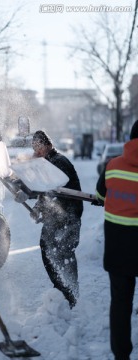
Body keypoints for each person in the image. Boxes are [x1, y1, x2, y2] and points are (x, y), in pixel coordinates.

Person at [13, 130, 83, 308]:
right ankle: (61, 290)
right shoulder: (47, 162)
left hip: (69, 216)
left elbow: (49, 191)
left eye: (38, 148)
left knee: (64, 253)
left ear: (47, 145)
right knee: (47, 248)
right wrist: (30, 199)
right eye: (34, 149)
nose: (36, 152)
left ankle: (71, 294)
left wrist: (39, 209)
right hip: (56, 217)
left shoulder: (59, 162)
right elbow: (41, 189)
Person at [96, 120, 138, 360]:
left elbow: (101, 195)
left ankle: (121, 355)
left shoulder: (112, 165)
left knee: (120, 303)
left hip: (118, 249)